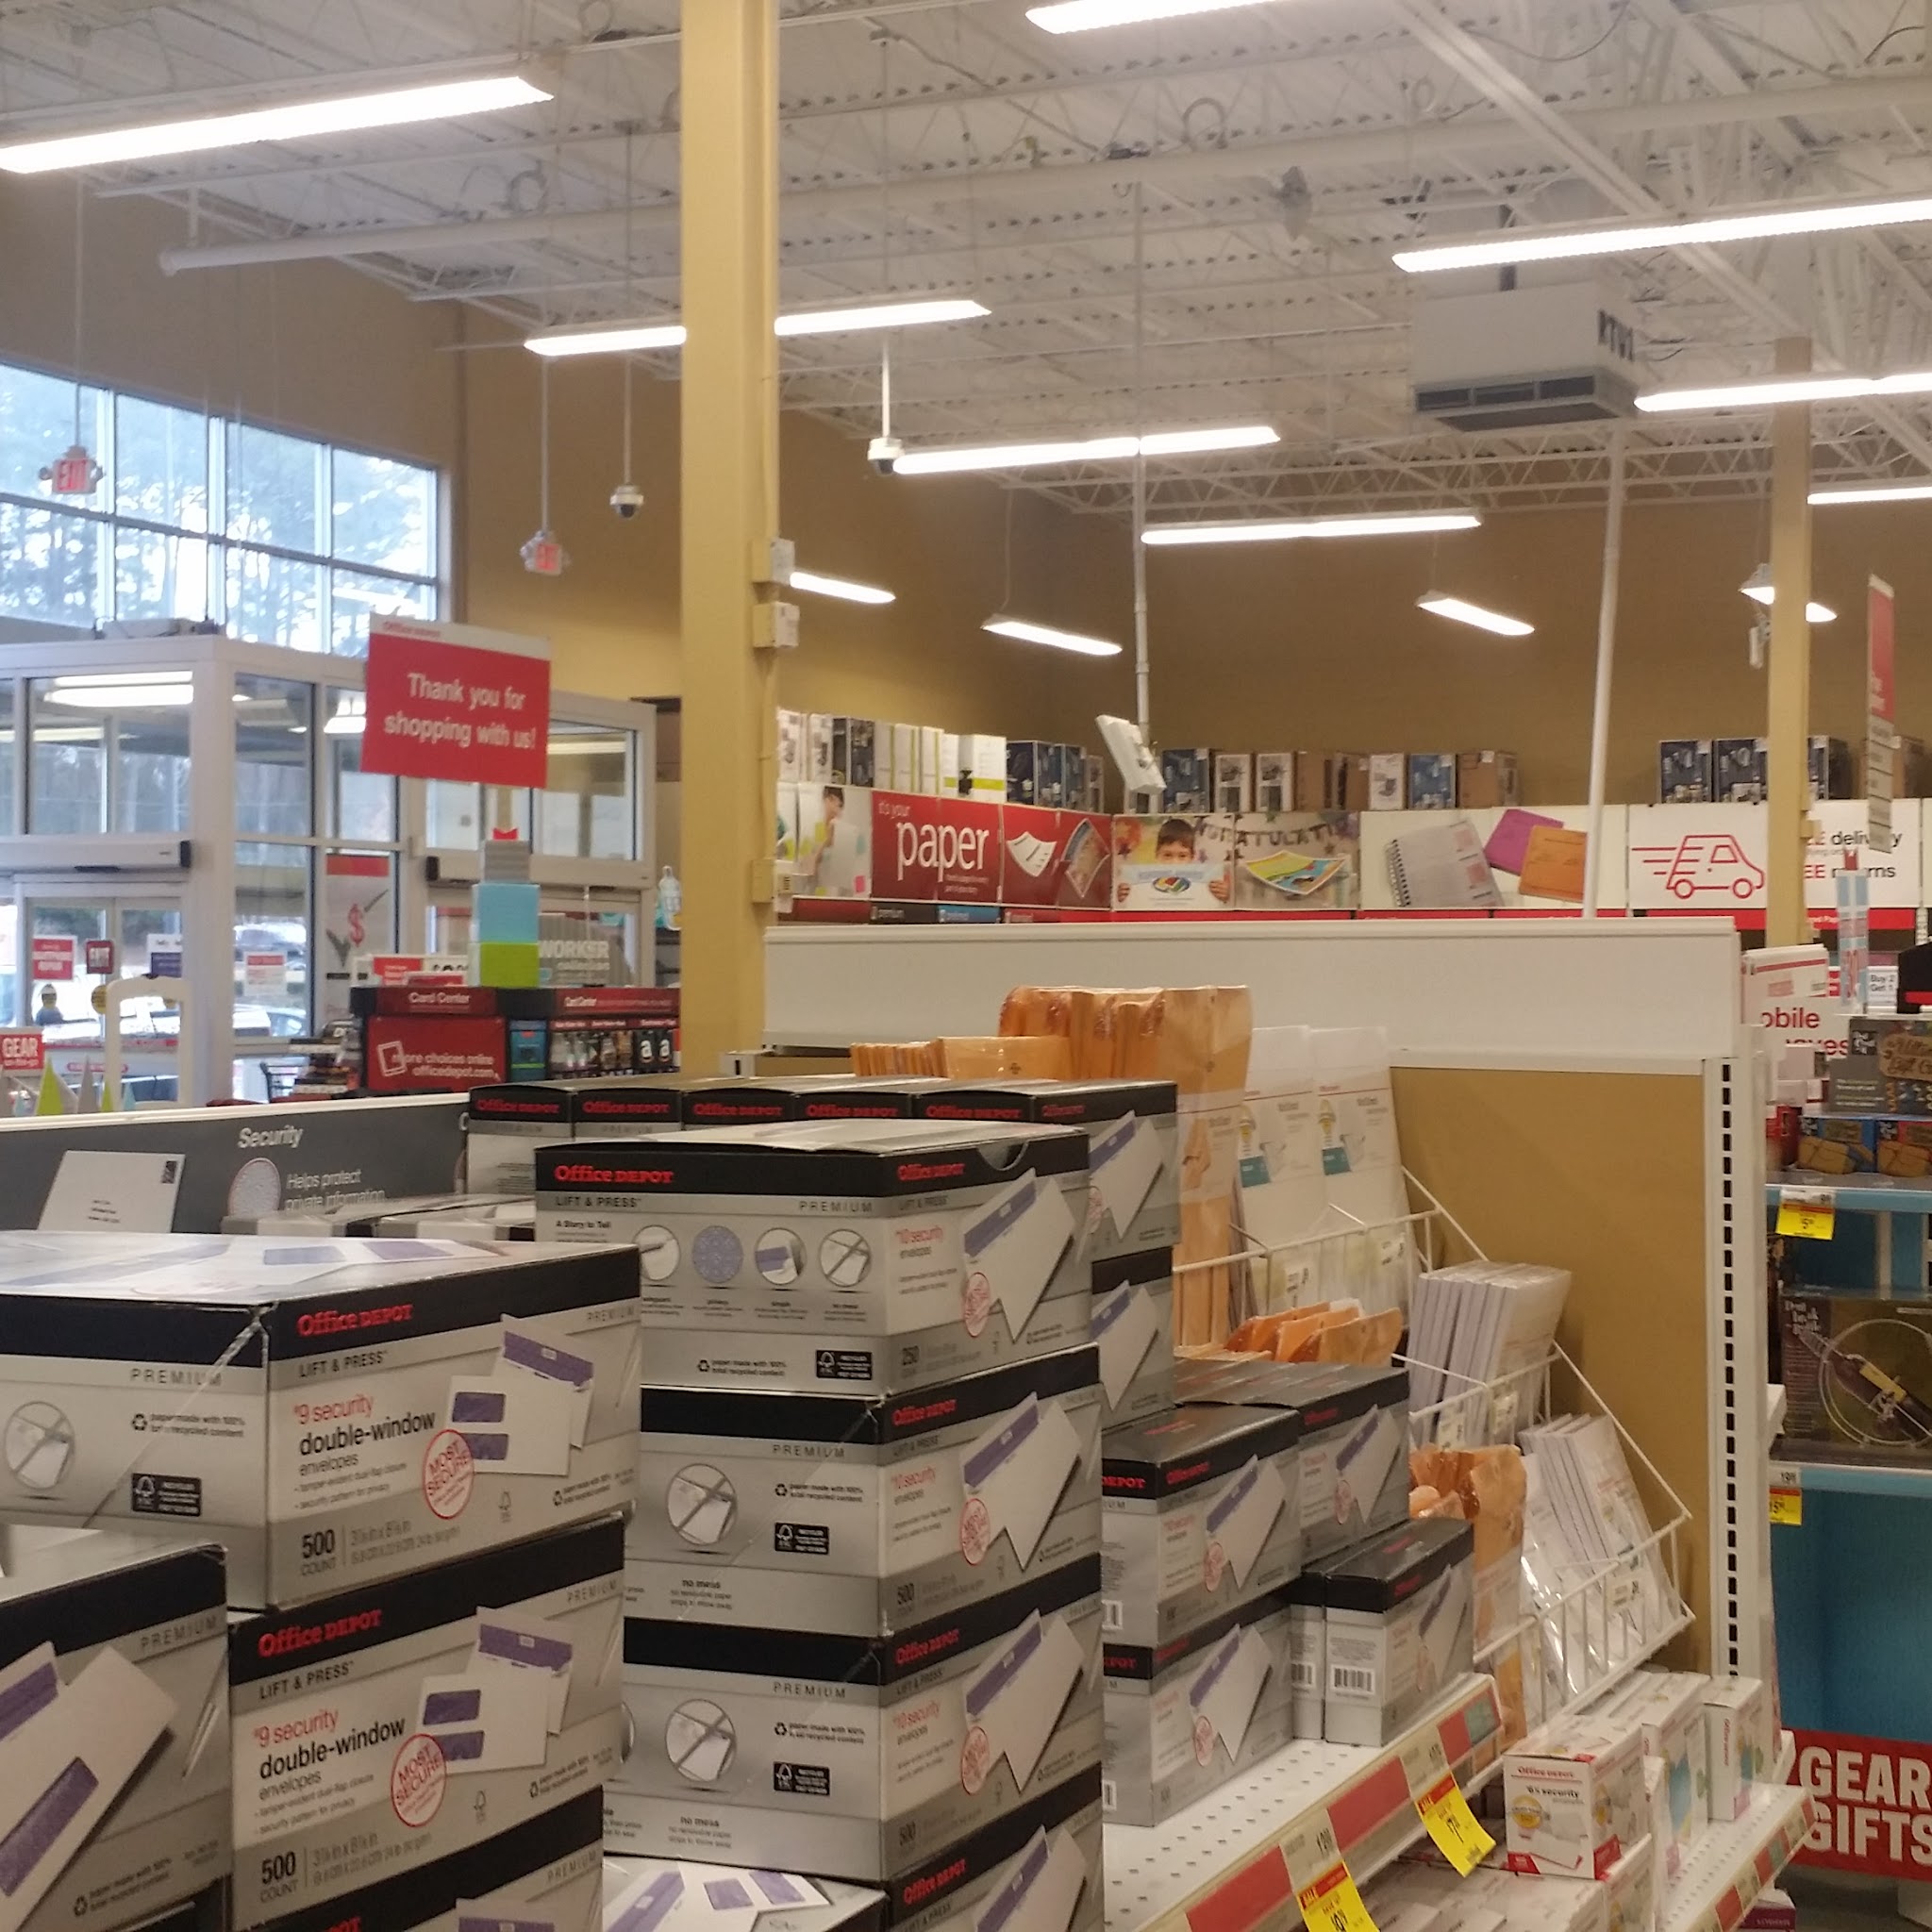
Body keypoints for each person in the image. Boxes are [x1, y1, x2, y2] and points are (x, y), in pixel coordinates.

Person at [1154, 818, 1231, 901]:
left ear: (1192, 856)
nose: (1174, 863)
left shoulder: (1207, 881)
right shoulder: (1146, 883)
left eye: (1182, 856)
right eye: (1167, 855)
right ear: (1157, 854)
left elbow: (1216, 903)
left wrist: (1224, 895)